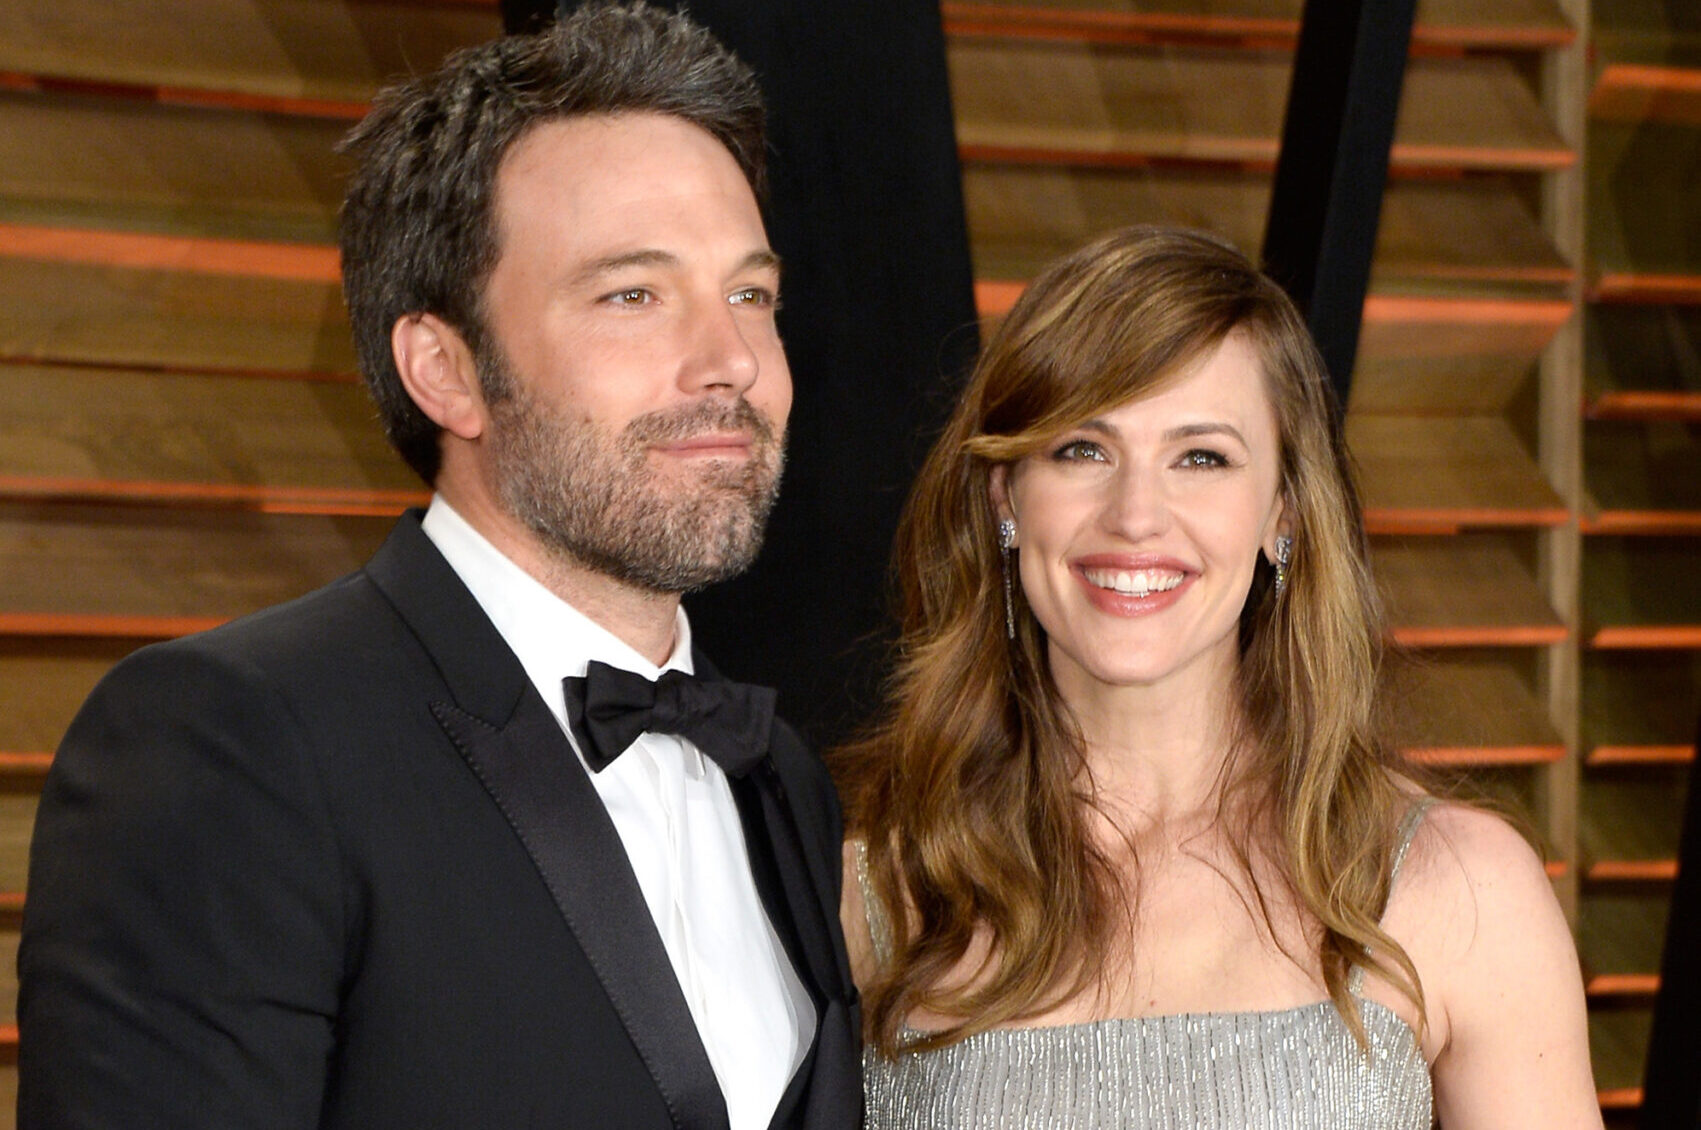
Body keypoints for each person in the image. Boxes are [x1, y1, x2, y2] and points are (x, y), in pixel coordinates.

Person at [18, 6, 860, 1129]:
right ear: (446, 371)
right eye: (633, 294)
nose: (733, 362)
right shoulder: (231, 744)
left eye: (751, 294)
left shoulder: (785, 781)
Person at [835, 226, 1603, 1128]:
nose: (1134, 515)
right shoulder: (870, 892)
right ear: (1005, 499)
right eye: (1082, 449)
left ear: (1282, 512)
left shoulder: (1458, 888)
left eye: (1201, 457)